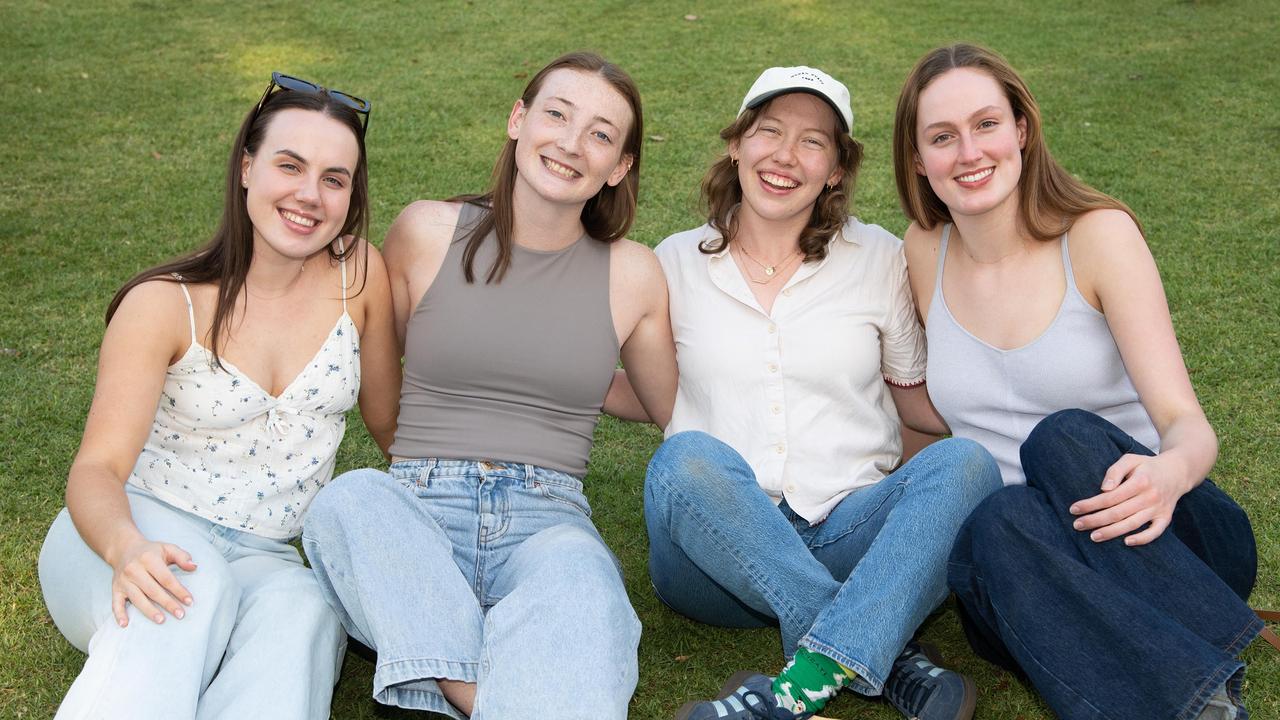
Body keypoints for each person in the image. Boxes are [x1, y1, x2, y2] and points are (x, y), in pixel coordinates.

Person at [300, 51, 677, 720]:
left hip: (546, 519)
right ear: (518, 119)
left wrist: (579, 380)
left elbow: (663, 404)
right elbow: (380, 377)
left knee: (586, 580)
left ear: (619, 165)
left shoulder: (633, 273)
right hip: (418, 502)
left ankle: (447, 676)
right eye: (557, 115)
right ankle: (486, 696)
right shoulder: (425, 232)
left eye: (600, 133)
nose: (570, 143)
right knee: (348, 501)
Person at [892, 43, 1261, 719]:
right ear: (918, 159)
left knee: (1059, 440)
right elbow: (933, 434)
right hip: (1028, 573)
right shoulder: (922, 250)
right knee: (999, 516)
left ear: (1022, 130)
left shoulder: (1096, 236)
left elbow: (1186, 422)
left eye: (986, 125)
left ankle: (1180, 649)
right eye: (942, 137)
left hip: (1164, 539)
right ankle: (1198, 697)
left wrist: (1170, 473)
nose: (969, 153)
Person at [644, 65, 1002, 720]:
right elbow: (644, 389)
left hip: (846, 528)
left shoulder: (880, 259)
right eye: (768, 131)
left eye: (812, 142)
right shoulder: (670, 262)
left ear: (837, 168)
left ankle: (805, 679)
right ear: (736, 144)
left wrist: (910, 516)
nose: (785, 156)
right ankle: (882, 653)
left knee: (969, 464)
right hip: (713, 557)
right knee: (683, 460)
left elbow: (913, 403)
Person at [37, 73, 400, 720]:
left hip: (267, 555)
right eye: (290, 165)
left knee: (308, 614)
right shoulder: (164, 304)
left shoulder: (361, 276)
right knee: (186, 593)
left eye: (334, 179)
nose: (309, 195)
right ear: (246, 166)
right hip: (127, 530)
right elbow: (96, 471)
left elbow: (392, 427)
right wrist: (126, 548)